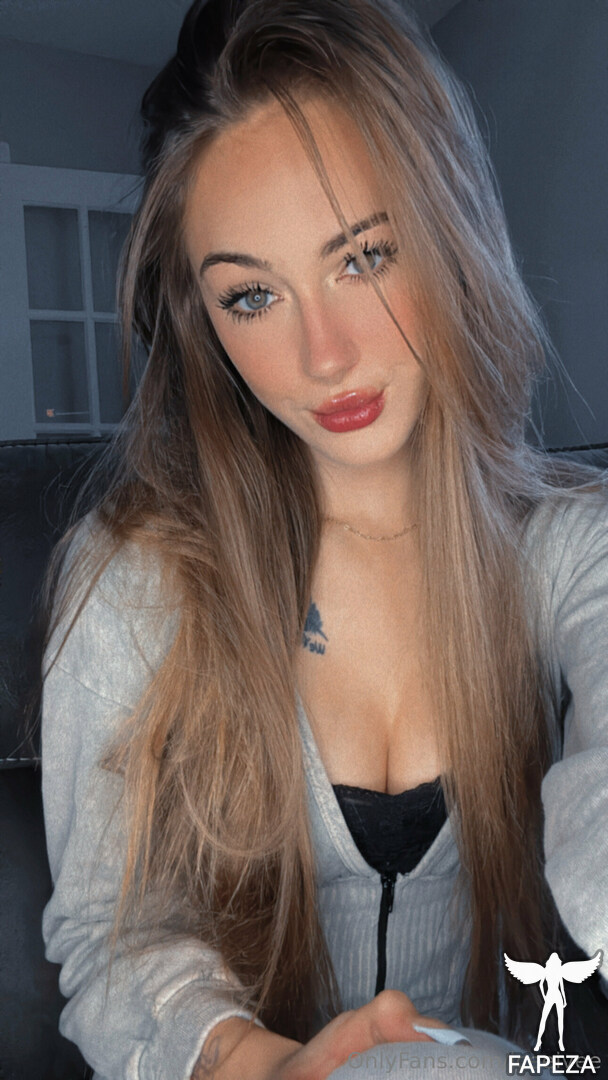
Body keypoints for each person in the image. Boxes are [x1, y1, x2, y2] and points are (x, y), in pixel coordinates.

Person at [40, 0, 608, 1077]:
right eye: (253, 296)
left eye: (363, 257)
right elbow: (113, 937)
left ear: (448, 232)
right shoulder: (136, 580)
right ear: (205, 324)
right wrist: (260, 1065)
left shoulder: (574, 551)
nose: (324, 354)